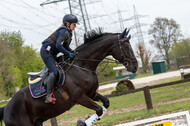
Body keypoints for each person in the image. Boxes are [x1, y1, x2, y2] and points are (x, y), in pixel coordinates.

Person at [40, 14, 78, 104]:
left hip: (52, 53)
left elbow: (65, 46)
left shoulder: (68, 33)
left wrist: (72, 52)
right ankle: (48, 95)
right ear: (67, 24)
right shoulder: (63, 32)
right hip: (46, 52)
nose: (75, 26)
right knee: (55, 72)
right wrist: (69, 54)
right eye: (74, 24)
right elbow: (58, 46)